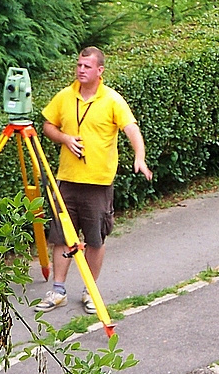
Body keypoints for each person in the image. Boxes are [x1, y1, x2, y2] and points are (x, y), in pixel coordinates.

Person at [35, 46, 152, 311]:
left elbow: (131, 128)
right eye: (78, 65)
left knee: (95, 239)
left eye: (86, 67)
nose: (80, 70)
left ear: (100, 71)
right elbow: (48, 126)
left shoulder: (112, 100)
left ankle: (90, 291)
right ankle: (58, 290)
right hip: (66, 180)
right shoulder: (65, 96)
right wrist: (64, 138)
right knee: (62, 236)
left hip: (98, 183)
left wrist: (139, 157)